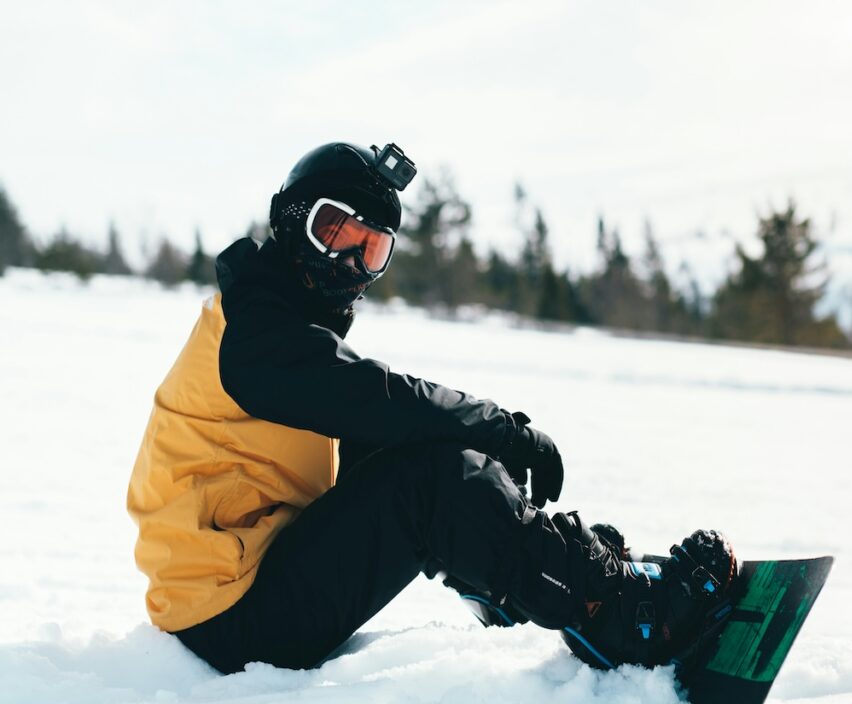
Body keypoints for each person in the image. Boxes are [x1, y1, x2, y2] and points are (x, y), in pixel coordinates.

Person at [126, 140, 737, 675]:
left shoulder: (269, 325)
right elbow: (383, 398)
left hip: (241, 588)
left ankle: (526, 574)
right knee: (427, 475)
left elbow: (383, 425)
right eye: (335, 233)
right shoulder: (256, 336)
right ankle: (619, 617)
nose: (350, 263)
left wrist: (500, 510)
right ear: (290, 222)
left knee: (410, 448)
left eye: (371, 250)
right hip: (232, 620)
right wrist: (504, 433)